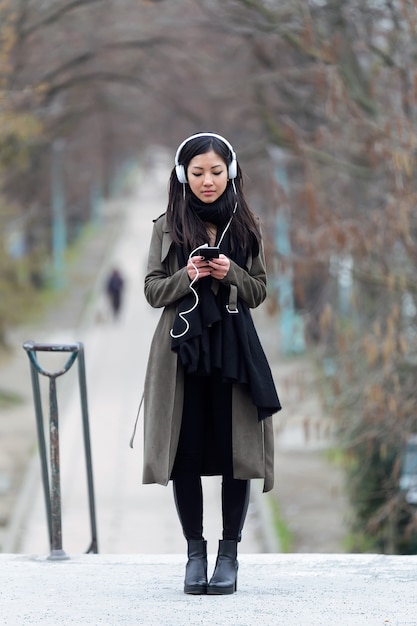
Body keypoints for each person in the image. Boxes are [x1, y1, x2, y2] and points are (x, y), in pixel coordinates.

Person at [142, 132, 281, 595]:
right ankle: (194, 555)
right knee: (184, 452)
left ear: (231, 173)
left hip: (233, 352)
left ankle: (229, 556)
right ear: (184, 175)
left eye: (216, 172)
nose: (207, 181)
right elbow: (152, 290)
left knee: (235, 456)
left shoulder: (247, 228)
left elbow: (259, 291)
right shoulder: (166, 226)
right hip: (181, 355)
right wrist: (189, 275)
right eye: (198, 172)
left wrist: (231, 274)